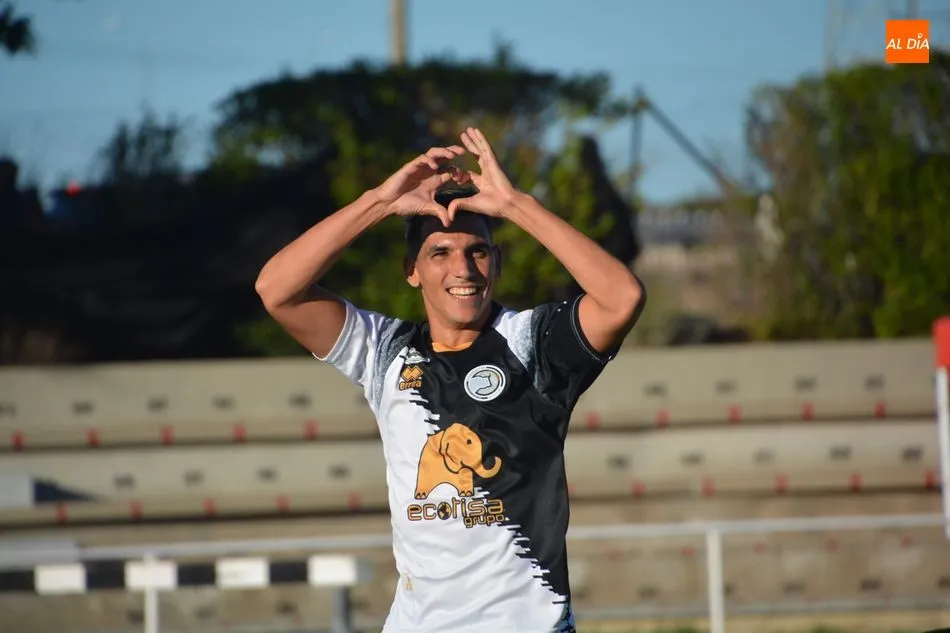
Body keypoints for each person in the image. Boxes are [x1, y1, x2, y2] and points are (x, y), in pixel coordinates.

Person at [256, 127, 646, 633]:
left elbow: (622, 298)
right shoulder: (386, 351)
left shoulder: (532, 343)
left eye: (478, 251)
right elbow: (277, 289)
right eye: (440, 252)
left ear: (496, 262)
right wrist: (380, 202)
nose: (462, 268)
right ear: (412, 270)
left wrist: (514, 204)